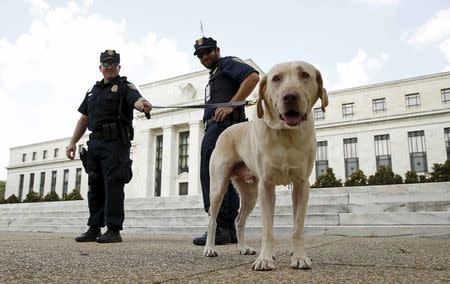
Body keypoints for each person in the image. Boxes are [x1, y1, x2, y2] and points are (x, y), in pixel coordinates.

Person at [66, 49, 152, 243]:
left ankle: (113, 229)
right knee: (94, 185)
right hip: (95, 143)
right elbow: (84, 118)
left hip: (115, 143)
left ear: (119, 67)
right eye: (106, 64)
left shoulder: (125, 86)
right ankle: (94, 227)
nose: (110, 67)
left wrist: (142, 104)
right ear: (100, 67)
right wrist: (73, 142)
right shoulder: (92, 91)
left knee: (113, 184)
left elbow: (136, 100)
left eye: (113, 64)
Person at [192, 37, 260, 246]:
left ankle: (220, 226)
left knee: (212, 174)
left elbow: (253, 77)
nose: (205, 57)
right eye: (201, 55)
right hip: (218, 127)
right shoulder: (215, 74)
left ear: (217, 50)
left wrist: (232, 104)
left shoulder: (227, 63)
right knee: (225, 178)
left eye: (208, 51)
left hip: (224, 128)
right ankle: (227, 228)